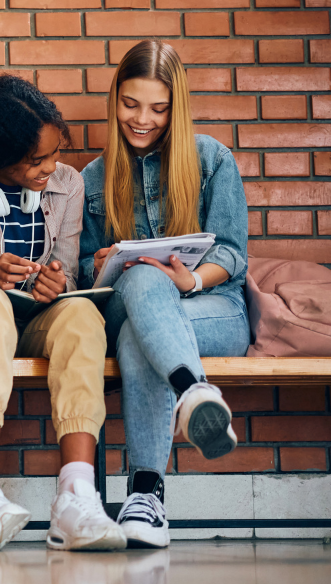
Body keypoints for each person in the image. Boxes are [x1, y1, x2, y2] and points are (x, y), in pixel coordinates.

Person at [0, 74, 125, 551]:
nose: (50, 168)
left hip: (36, 316)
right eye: (35, 161)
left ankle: (76, 495)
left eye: (55, 153)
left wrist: (58, 281)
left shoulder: (68, 184)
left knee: (82, 317)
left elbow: (69, 271)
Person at [80, 40, 248, 549]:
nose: (142, 119)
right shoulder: (92, 178)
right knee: (142, 278)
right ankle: (193, 391)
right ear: (115, 100)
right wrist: (98, 264)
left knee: (139, 335)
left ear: (177, 106)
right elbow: (79, 278)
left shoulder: (211, 159)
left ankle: (146, 496)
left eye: (158, 107)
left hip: (212, 310)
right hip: (127, 305)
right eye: (131, 104)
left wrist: (191, 280)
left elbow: (232, 255)